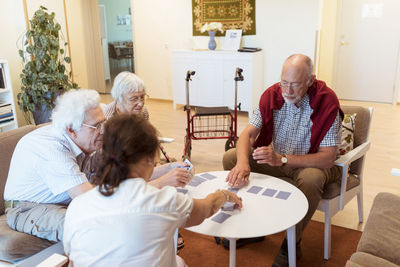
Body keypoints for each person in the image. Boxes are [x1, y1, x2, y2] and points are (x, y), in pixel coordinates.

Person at [63, 114, 243, 266]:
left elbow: (73, 260)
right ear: (149, 158)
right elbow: (207, 208)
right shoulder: (164, 201)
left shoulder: (77, 207)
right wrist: (223, 194)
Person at [222, 54, 343, 267]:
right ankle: (252, 227)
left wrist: (282, 159)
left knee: (312, 179)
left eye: (295, 85)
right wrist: (243, 162)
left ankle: (291, 244)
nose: (287, 91)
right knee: (232, 157)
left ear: (310, 81)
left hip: (311, 164)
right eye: (284, 83)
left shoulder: (326, 101)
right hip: (279, 161)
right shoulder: (271, 95)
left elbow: (327, 157)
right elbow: (247, 135)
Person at [4, 89, 105, 242]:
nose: (103, 131)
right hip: (26, 209)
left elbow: (125, 170)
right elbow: (88, 198)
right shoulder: (52, 148)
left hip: (59, 202)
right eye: (97, 126)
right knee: (88, 228)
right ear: (71, 129)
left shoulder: (85, 141)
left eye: (104, 123)